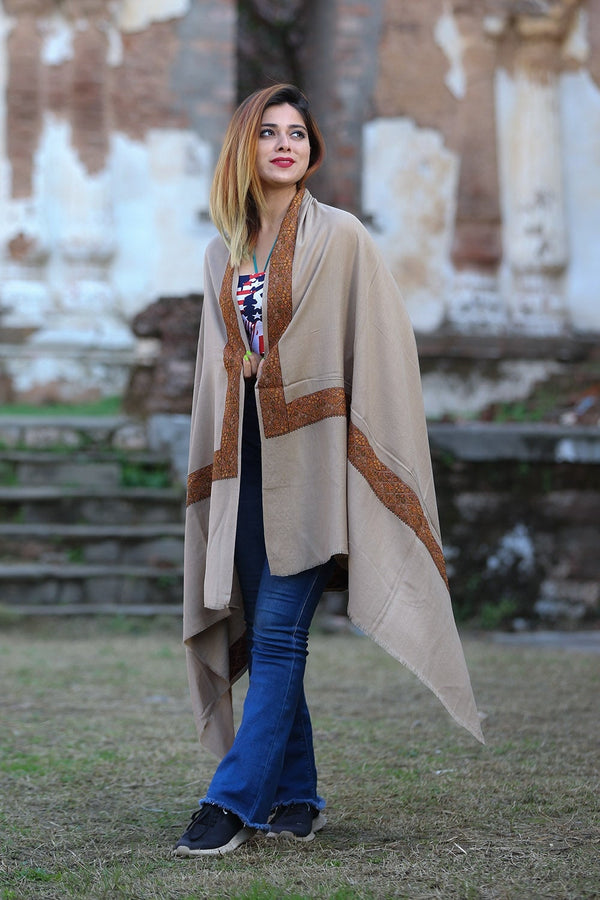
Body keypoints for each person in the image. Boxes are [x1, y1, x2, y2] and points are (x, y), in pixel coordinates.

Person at [174, 84, 483, 858]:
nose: (285, 144)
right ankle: (298, 797)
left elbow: (377, 345)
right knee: (267, 636)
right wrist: (241, 369)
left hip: (318, 463)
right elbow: (217, 365)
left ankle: (230, 801)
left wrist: (280, 375)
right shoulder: (222, 251)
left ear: (312, 149)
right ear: (244, 147)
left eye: (297, 133)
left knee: (281, 632)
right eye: (269, 132)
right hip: (244, 465)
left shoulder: (341, 236)